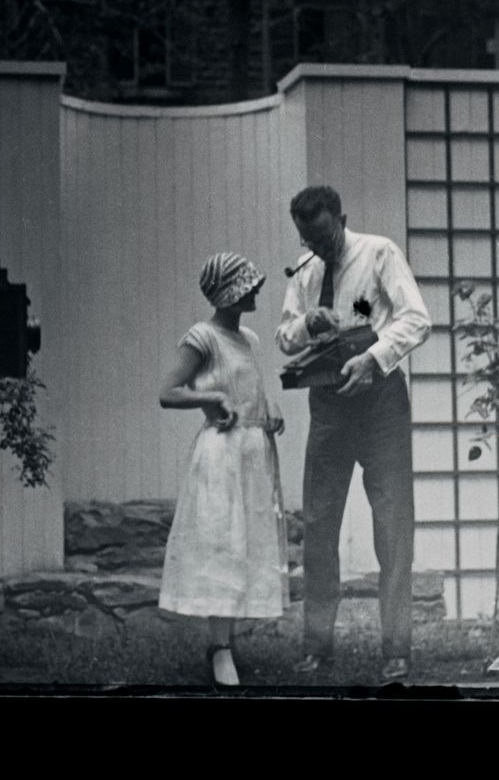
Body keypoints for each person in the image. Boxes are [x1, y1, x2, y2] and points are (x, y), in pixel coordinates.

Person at [275, 185, 430, 683]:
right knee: (319, 524)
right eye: (307, 239)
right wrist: (305, 323)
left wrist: (375, 357)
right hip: (330, 404)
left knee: (392, 524)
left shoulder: (379, 252)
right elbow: (283, 337)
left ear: (341, 218)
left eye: (323, 236)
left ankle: (397, 649)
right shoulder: (305, 271)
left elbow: (416, 319)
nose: (317, 247)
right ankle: (317, 646)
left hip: (381, 401)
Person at [158, 252, 290, 687]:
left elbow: (249, 389)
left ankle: (227, 642)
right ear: (228, 293)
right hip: (220, 456)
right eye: (247, 286)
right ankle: (219, 647)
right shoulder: (202, 337)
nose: (256, 291)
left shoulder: (248, 338)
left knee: (245, 547)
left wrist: (268, 412)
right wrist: (210, 400)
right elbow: (168, 392)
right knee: (221, 545)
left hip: (253, 454)